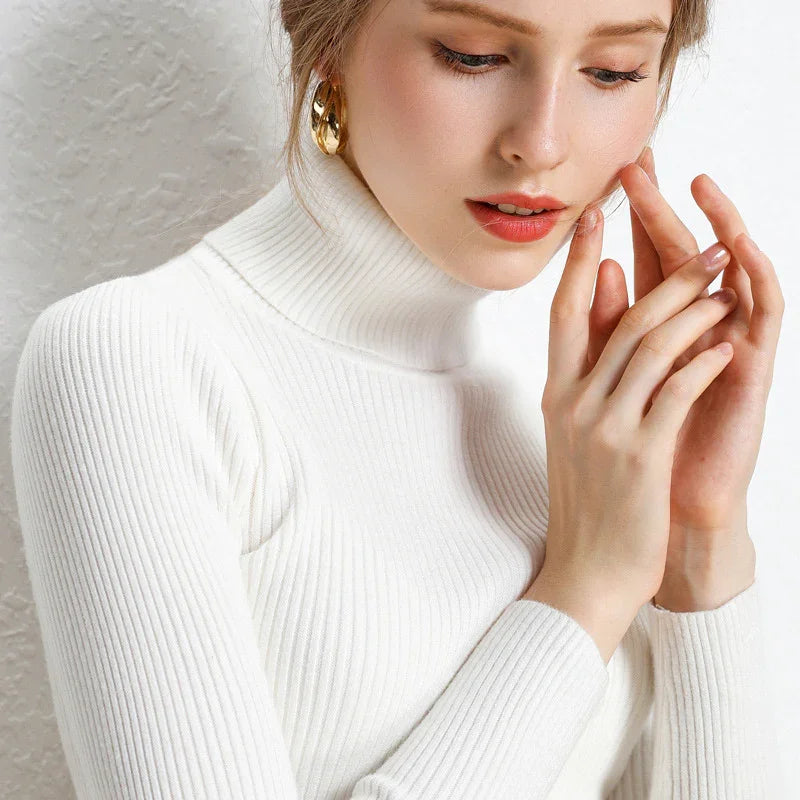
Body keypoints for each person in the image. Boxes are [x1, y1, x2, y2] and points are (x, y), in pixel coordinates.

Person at [10, 0, 783, 798]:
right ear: (330, 42)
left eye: (613, 72)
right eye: (473, 55)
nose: (542, 142)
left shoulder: (568, 438)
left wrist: (698, 536)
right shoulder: (139, 362)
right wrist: (585, 591)